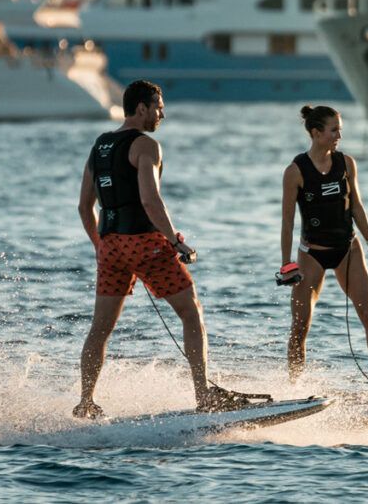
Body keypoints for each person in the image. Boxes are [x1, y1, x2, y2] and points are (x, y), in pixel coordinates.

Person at [73, 79, 245, 418]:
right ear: (142, 108)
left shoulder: (99, 146)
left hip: (109, 247)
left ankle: (85, 401)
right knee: (191, 312)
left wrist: (99, 245)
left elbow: (84, 206)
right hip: (143, 243)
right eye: (158, 107)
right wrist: (176, 241)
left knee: (100, 328)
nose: (162, 113)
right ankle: (203, 395)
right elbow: (151, 200)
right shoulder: (145, 146)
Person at [280, 105, 368, 400]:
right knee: (300, 325)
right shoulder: (295, 171)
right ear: (316, 133)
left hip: (347, 250)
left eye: (340, 129)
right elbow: (287, 222)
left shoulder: (346, 163)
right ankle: (294, 390)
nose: (339, 135)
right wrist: (287, 265)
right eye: (333, 130)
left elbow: (357, 206)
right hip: (311, 254)